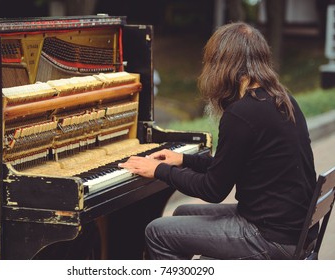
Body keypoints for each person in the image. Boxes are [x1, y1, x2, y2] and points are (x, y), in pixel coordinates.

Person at [118, 22, 318, 260]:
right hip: (293, 231)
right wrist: (183, 160)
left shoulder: (242, 114)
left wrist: (159, 170)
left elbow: (213, 189)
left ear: (222, 65)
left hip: (271, 239)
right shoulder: (281, 99)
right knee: (182, 212)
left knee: (157, 232)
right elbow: (231, 167)